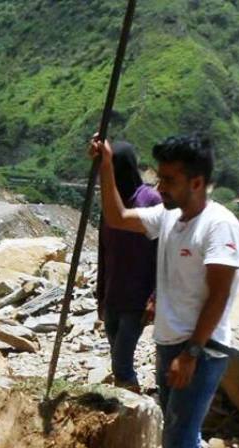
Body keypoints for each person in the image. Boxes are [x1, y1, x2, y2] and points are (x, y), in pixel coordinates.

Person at [89, 133, 239, 448]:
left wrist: (192, 353)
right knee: (176, 431)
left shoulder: (219, 226)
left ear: (197, 182)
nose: (160, 188)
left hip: (199, 349)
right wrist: (104, 166)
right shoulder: (169, 218)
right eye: (160, 178)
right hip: (170, 343)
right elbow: (117, 216)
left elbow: (219, 295)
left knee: (180, 437)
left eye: (170, 180)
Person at [96, 142, 162, 391]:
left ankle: (128, 413)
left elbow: (161, 252)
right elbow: (103, 252)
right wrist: (100, 295)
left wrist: (156, 295)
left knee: (121, 363)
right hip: (113, 295)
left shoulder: (149, 200)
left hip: (138, 298)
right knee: (117, 357)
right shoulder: (110, 204)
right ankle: (124, 407)